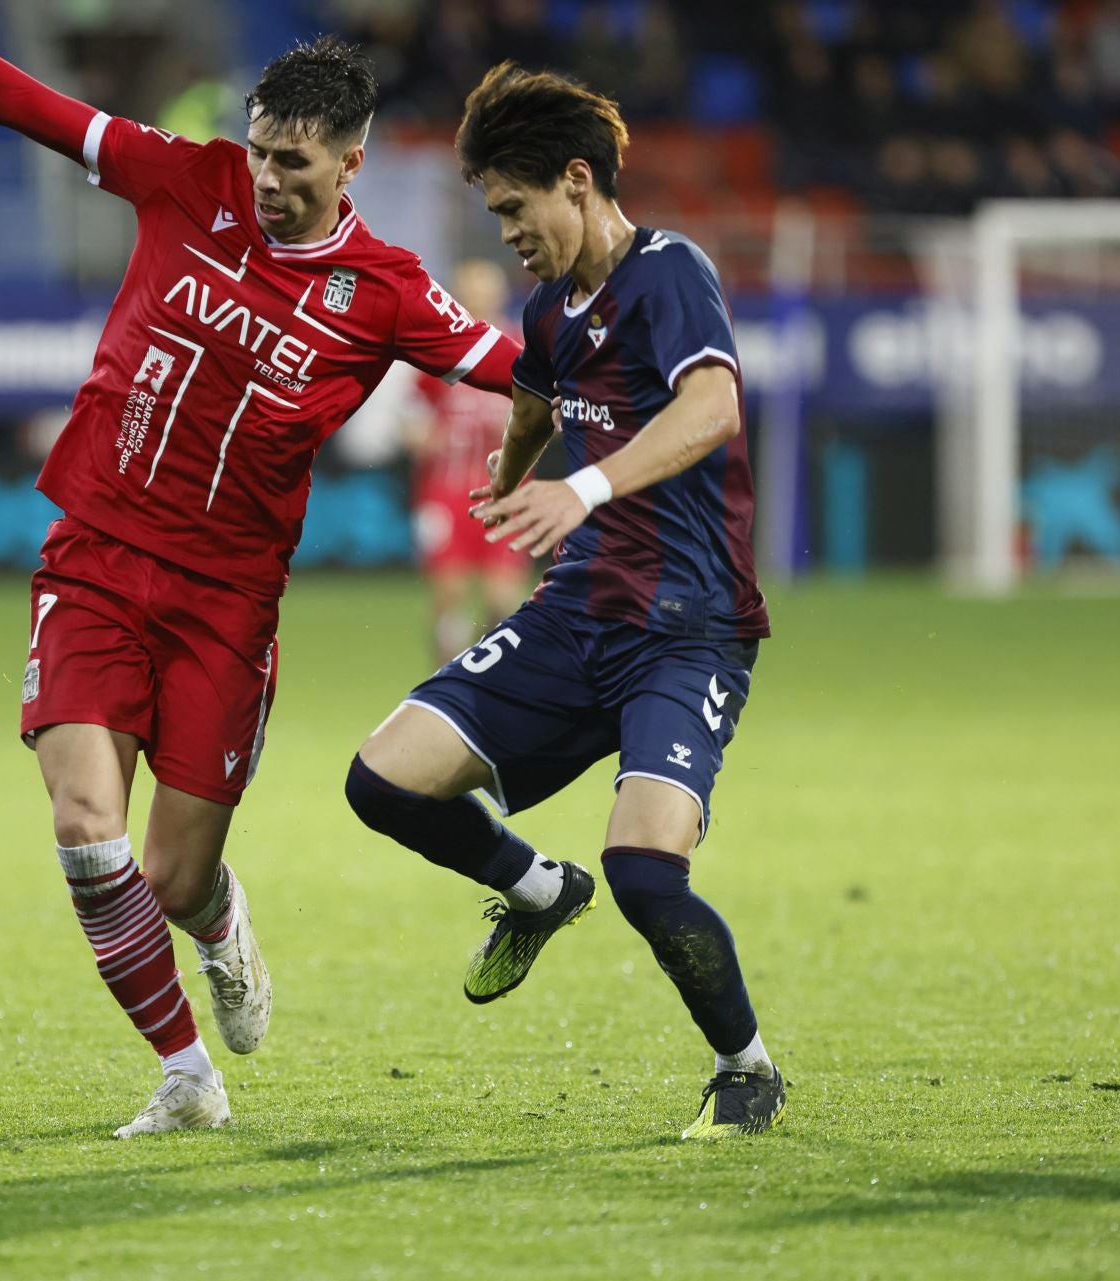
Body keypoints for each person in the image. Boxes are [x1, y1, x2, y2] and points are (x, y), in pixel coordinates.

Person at [0, 0, 520, 1137]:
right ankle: (185, 1077)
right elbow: (16, 99)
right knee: (86, 828)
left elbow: (526, 374)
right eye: (261, 150)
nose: (267, 178)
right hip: (97, 558)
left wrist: (618, 433)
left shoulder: (387, 290)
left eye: (294, 162)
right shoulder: (186, 179)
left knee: (174, 879)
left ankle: (220, 927)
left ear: (351, 161)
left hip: (227, 606)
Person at [343, 64, 784, 1140]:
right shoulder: (548, 309)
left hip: (687, 632)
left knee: (646, 874)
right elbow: (539, 400)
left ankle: (746, 1067)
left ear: (576, 181)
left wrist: (581, 486)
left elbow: (715, 404)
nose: (506, 234)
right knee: (383, 781)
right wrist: (508, 475)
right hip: (576, 613)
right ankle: (539, 890)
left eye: (513, 209)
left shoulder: (669, 271)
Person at [401, 257, 532, 664]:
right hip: (446, 491)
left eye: (484, 293)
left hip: (505, 494)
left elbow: (546, 417)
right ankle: (444, 686)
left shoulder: (523, 352)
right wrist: (424, 438)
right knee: (449, 594)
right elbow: (411, 419)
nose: (477, 301)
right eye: (470, 293)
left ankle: (492, 682)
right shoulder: (441, 351)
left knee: (503, 599)